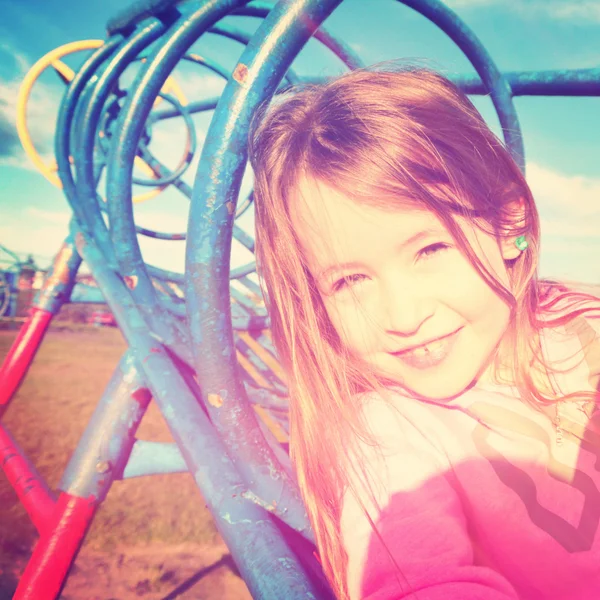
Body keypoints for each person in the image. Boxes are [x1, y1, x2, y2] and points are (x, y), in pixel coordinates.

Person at [248, 66, 600, 599]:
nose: (402, 315)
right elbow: (424, 583)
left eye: (430, 250)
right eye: (350, 280)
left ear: (510, 225)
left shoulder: (583, 317)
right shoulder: (388, 432)